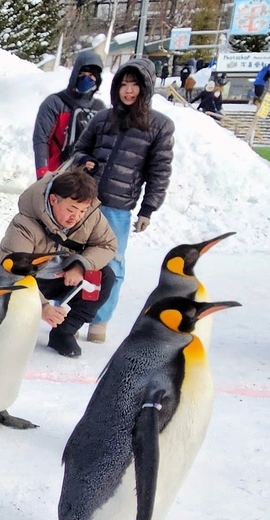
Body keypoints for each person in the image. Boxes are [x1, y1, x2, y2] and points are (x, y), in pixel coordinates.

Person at [73, 58, 174, 344]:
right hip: (85, 204)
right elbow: (79, 150)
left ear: (146, 89)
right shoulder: (102, 118)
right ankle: (69, 317)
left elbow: (159, 171)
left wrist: (148, 209)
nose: (128, 91)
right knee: (75, 258)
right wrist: (86, 161)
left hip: (118, 208)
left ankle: (99, 321)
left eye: (135, 85)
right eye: (124, 84)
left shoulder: (160, 126)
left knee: (112, 265)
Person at [0, 169, 116, 359]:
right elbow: (12, 272)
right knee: (4, 333)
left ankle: (64, 332)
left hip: (63, 278)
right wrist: (43, 306)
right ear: (54, 200)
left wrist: (81, 265)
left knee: (104, 277)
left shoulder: (91, 216)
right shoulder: (24, 223)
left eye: (82, 211)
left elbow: (108, 244)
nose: (76, 217)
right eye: (71, 210)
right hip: (27, 282)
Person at [32, 50, 105, 179]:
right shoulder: (55, 103)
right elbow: (41, 139)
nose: (85, 78)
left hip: (87, 180)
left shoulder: (100, 108)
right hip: (57, 175)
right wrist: (42, 172)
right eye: (81, 74)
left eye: (91, 75)